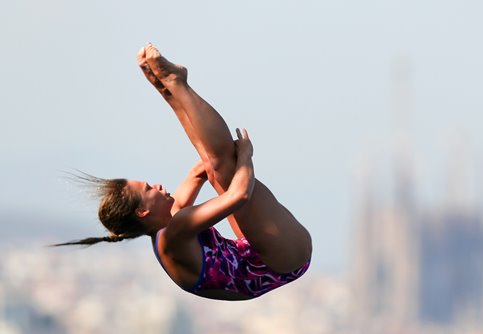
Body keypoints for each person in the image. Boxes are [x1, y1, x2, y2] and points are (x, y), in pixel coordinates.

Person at [56, 43, 312, 301]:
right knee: (224, 167)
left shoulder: (168, 222)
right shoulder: (175, 232)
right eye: (147, 189)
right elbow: (239, 195)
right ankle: (178, 82)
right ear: (142, 212)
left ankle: (174, 84)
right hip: (282, 262)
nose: (156, 185)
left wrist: (164, 91)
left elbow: (198, 171)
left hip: (258, 255)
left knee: (215, 166)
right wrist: (245, 156)